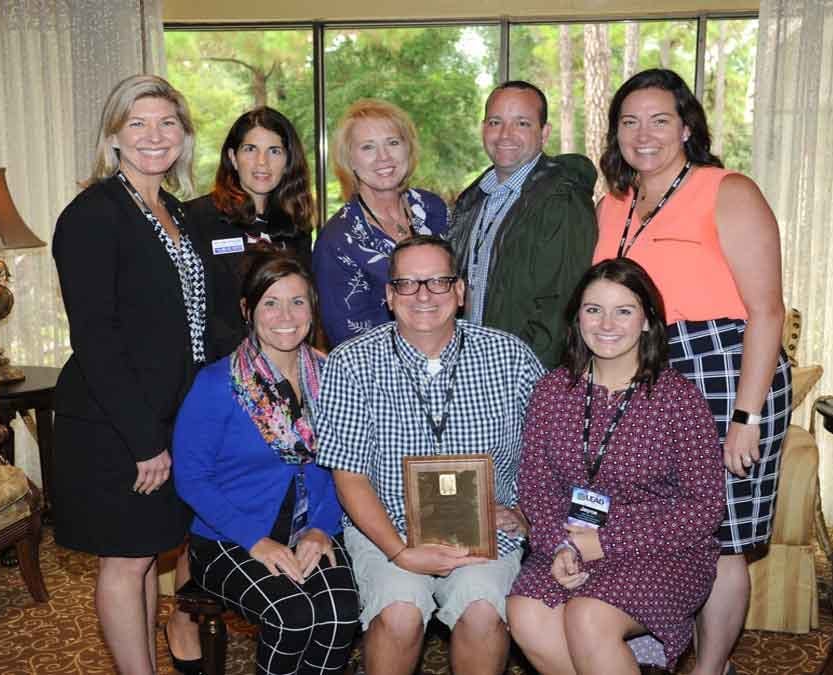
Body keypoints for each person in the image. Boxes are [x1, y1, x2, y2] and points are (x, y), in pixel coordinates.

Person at [594, 68, 792, 675]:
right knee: (658, 529)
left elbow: (766, 311)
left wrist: (746, 416)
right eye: (630, 121)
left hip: (727, 370)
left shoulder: (726, 190)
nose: (644, 134)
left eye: (659, 119)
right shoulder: (612, 204)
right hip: (644, 376)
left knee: (721, 539)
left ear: (686, 127)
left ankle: (711, 669)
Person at [315, 235, 544, 675]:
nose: (423, 296)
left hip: (486, 531)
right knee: (399, 612)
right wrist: (400, 552)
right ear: (388, 295)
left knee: (482, 611)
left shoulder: (510, 356)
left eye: (438, 282)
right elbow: (350, 477)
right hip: (387, 526)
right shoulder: (351, 363)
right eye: (407, 284)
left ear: (460, 292)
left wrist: (524, 514)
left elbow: (549, 453)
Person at [52, 74, 208, 675]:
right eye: (138, 123)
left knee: (147, 557)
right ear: (114, 135)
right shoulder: (94, 213)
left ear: (183, 137)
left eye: (167, 123)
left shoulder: (169, 211)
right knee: (124, 562)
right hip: (114, 425)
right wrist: (144, 439)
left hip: (161, 419)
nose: (153, 135)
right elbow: (96, 339)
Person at [507, 258, 725, 674]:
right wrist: (560, 545)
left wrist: (608, 543)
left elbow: (703, 508)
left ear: (646, 321)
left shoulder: (678, 399)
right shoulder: (552, 391)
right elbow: (535, 486)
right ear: (577, 317)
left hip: (661, 549)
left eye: (623, 310)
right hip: (569, 541)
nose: (606, 324)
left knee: (589, 617)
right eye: (593, 310)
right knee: (527, 614)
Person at [173, 253, 359, 674]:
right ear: (247, 310)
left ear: (313, 309)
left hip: (311, 527)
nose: (285, 316)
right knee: (292, 616)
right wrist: (255, 539)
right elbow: (191, 478)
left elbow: (342, 465)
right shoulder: (216, 384)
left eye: (298, 302)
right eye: (270, 303)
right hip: (229, 537)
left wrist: (321, 528)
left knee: (339, 614)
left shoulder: (331, 377)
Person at [447, 80, 597, 370]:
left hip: (522, 377)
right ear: (483, 128)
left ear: (544, 133)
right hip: (470, 371)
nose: (505, 134)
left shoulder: (561, 199)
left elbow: (560, 307)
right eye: (495, 121)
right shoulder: (473, 199)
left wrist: (523, 378)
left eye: (522, 123)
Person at [312, 99, 449, 348]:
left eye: (393, 143)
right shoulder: (337, 240)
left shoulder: (433, 210)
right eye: (368, 147)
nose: (384, 157)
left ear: (408, 149)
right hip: (381, 378)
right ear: (350, 160)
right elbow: (348, 341)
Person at [186, 107, 315, 361]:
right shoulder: (196, 218)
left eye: (274, 151)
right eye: (250, 149)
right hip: (219, 365)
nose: (262, 163)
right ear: (233, 157)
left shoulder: (296, 227)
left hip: (283, 362)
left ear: (288, 160)